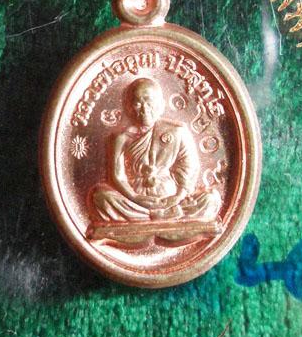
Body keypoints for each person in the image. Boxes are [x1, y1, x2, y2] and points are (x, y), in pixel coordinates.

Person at [90, 77, 221, 226]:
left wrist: (178, 196)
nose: (144, 109)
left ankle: (159, 215)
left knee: (210, 198)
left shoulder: (177, 131)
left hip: (171, 197)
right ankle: (160, 216)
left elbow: (189, 167)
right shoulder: (121, 138)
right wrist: (135, 197)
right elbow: (118, 176)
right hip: (135, 202)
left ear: (161, 105)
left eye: (149, 102)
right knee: (100, 197)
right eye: (138, 103)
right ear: (129, 107)